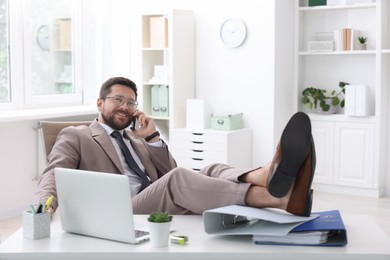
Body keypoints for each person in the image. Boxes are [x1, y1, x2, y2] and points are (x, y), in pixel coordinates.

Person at [35, 76, 316, 217]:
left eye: (131, 102)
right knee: (181, 179)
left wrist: (154, 138)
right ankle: (279, 198)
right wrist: (41, 208)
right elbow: (53, 173)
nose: (125, 107)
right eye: (118, 100)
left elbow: (170, 172)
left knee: (210, 167)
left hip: (153, 197)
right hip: (121, 209)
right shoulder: (77, 134)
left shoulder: (136, 137)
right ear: (100, 103)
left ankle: (266, 176)